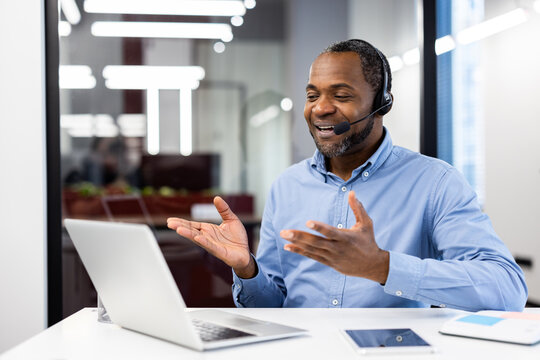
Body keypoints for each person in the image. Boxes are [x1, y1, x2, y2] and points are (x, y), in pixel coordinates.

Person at [167, 39, 528, 310]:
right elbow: (273, 308)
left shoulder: (435, 182)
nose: (321, 108)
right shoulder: (287, 186)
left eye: (340, 95)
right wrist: (247, 269)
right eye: (312, 95)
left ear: (381, 103)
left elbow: (507, 289)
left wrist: (384, 267)